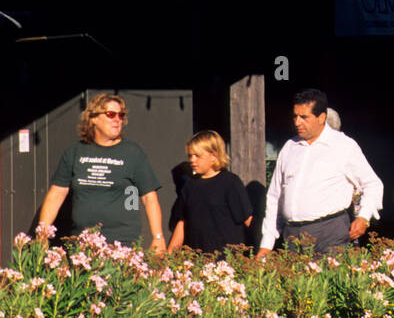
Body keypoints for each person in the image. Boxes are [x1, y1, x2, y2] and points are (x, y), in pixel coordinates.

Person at [258, 88, 382, 259]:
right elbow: (274, 197)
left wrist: (364, 217)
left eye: (304, 117)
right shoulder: (289, 148)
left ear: (321, 117)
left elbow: (373, 184)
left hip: (330, 235)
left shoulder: (344, 146)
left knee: (330, 284)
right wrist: (267, 243)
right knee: (295, 285)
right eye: (295, 116)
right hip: (292, 237)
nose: (297, 122)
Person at [36, 93, 164, 251]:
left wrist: (158, 237)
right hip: (82, 244)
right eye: (111, 114)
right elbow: (56, 195)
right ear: (93, 118)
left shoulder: (133, 153)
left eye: (121, 115)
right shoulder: (75, 152)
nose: (118, 119)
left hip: (121, 246)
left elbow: (149, 198)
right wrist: (42, 235)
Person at [167, 130, 253, 255]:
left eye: (197, 155)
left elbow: (247, 220)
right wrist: (169, 255)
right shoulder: (189, 186)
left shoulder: (230, 183)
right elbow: (182, 223)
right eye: (190, 156)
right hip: (197, 261)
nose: (192, 160)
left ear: (214, 156)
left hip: (226, 261)